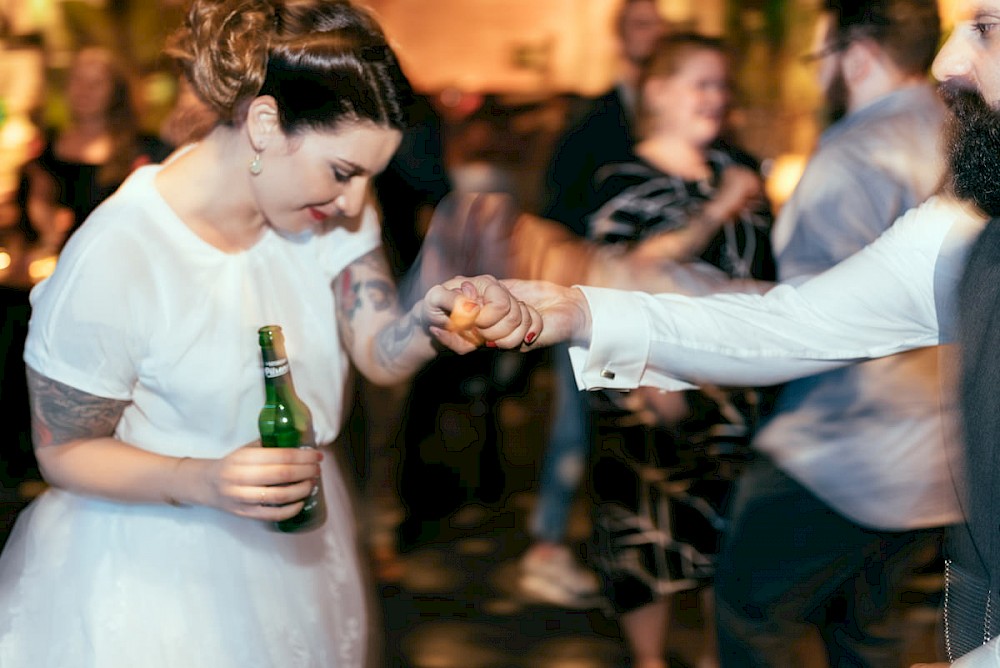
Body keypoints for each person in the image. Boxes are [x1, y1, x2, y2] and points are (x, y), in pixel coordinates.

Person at [0, 1, 539, 666]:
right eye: (343, 172)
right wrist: (205, 480)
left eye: (367, 178)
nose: (352, 203)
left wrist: (427, 322)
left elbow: (376, 352)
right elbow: (64, 453)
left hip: (296, 544)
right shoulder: (119, 254)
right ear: (264, 123)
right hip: (152, 570)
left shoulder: (326, 208)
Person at [503, 0, 1000, 662]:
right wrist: (585, 311)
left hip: (845, 456)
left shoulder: (861, 157)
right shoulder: (964, 222)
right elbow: (795, 319)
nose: (947, 62)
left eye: (988, 26)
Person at [712, 2, 962, 666]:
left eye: (820, 58)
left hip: (840, 451)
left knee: (751, 617)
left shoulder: (856, 151)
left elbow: (813, 323)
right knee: (868, 634)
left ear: (856, 55)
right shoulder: (966, 136)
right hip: (939, 461)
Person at [572, 33, 775, 668]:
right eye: (701, 83)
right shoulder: (622, 177)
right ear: (658, 90)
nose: (716, 98)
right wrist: (716, 210)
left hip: (736, 390)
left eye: (722, 85)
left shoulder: (738, 170)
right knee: (646, 542)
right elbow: (624, 271)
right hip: (646, 386)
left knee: (731, 548)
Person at [519, 0, 669, 609]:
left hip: (653, 305)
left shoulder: (669, 117)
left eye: (657, 25)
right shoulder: (593, 122)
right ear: (621, 35)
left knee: (633, 432)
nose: (649, 34)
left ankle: (627, 560)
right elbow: (553, 212)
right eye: (640, 24)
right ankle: (548, 546)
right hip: (594, 300)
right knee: (575, 427)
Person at [15, 46, 173, 251]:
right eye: (78, 80)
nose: (84, 90)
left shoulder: (146, 150)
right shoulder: (45, 149)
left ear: (117, 91)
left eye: (96, 83)